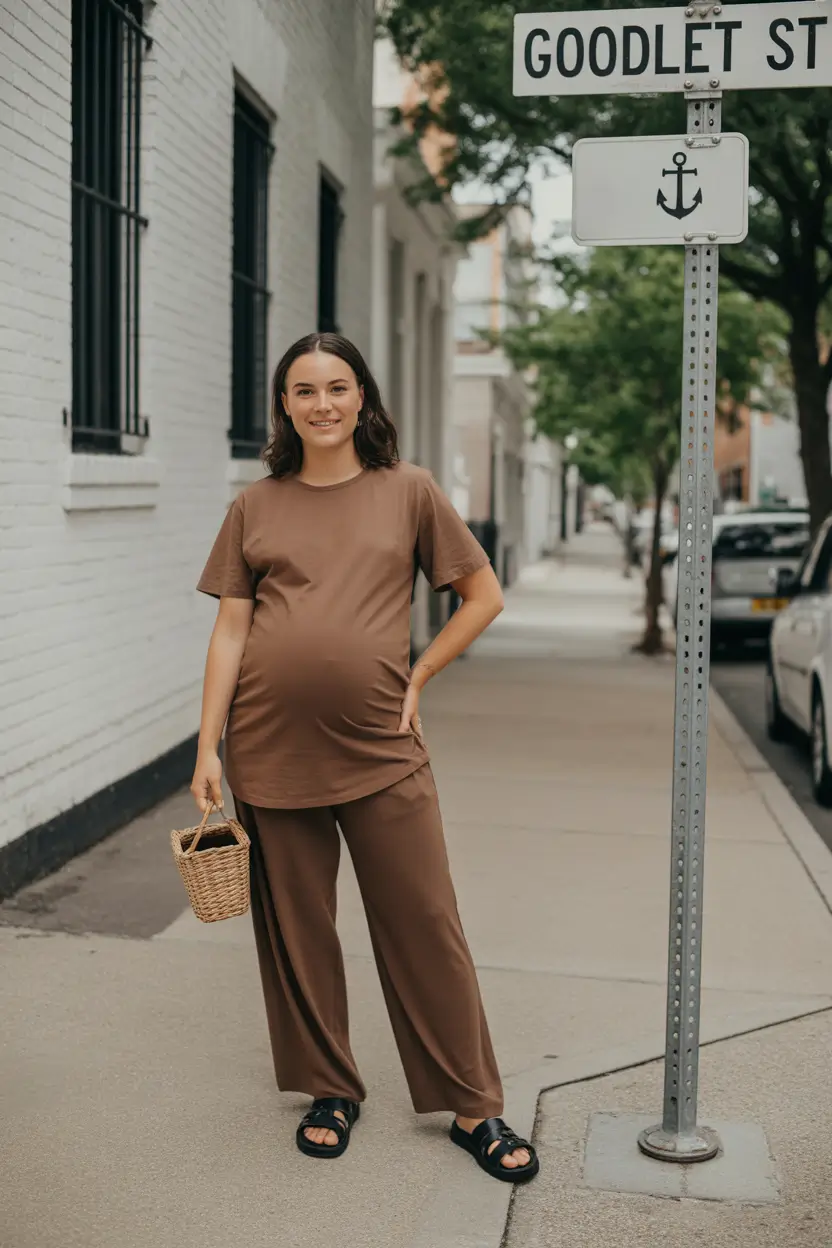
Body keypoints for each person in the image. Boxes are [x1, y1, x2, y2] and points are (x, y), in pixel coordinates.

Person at [191, 332, 539, 1184]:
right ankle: (329, 1089)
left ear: (362, 398)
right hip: (268, 746)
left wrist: (420, 672)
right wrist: (207, 744)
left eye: (337, 387)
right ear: (284, 405)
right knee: (300, 931)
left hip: (383, 746)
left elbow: (481, 594)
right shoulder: (256, 505)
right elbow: (232, 628)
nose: (322, 404)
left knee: (424, 921)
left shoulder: (409, 491)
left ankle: (472, 1106)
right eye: (303, 390)